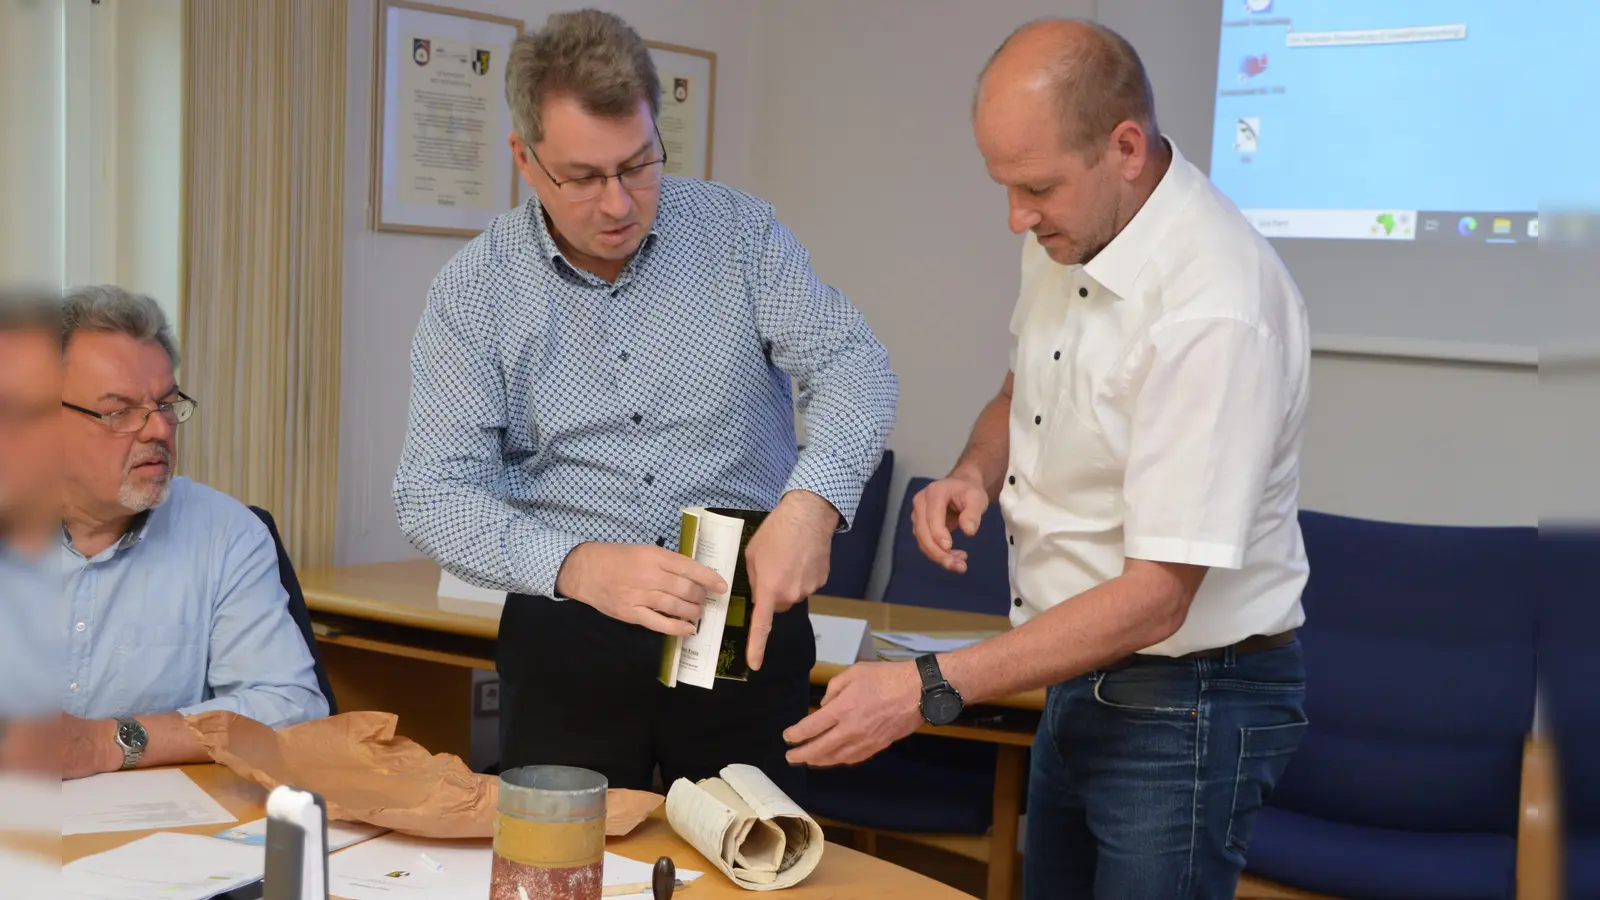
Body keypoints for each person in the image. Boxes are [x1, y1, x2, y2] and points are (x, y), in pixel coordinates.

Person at [783, 19, 1310, 899]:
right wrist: (972, 471)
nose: (1017, 219)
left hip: (1187, 698)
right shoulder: (1074, 233)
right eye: (1006, 187)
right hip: (1069, 665)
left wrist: (925, 687)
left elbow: (1158, 596)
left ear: (1126, 148)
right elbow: (1020, 384)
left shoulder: (1214, 307)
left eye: (1036, 188)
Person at [392, 10, 896, 797]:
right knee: (566, 855)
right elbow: (432, 492)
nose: (619, 203)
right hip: (570, 630)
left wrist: (813, 505)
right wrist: (577, 566)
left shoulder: (739, 235)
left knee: (753, 849)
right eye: (584, 177)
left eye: (638, 165)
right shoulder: (474, 291)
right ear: (525, 160)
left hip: (740, 618)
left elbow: (853, 363)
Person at [59, 285, 328, 780]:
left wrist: (112, 742)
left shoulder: (227, 534)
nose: (159, 430)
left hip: (160, 819)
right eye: (120, 412)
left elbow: (292, 708)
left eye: (166, 405)